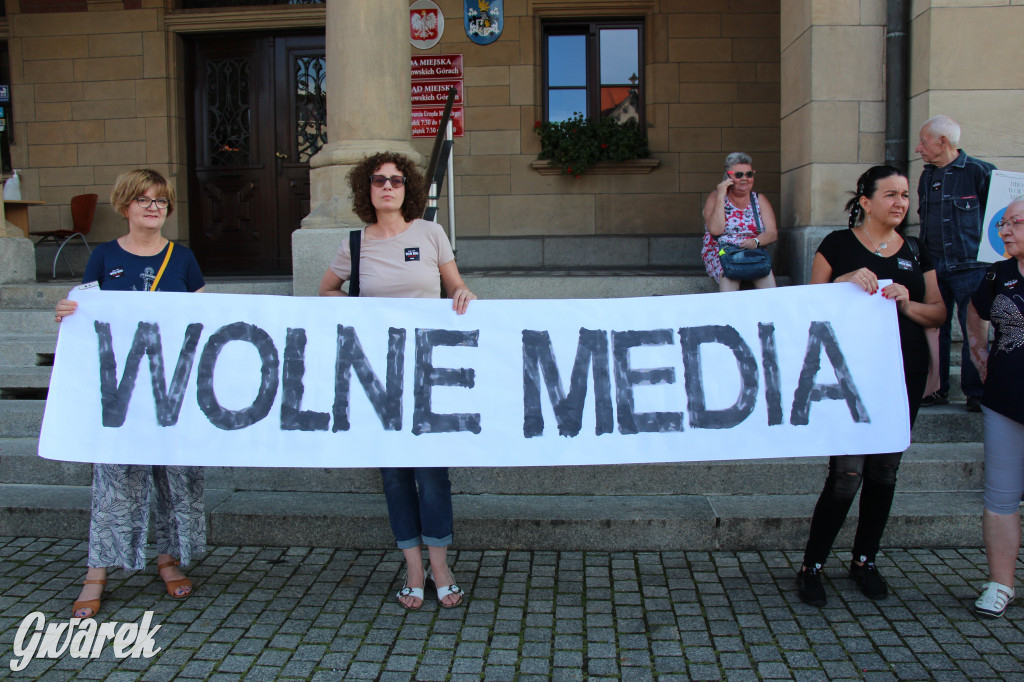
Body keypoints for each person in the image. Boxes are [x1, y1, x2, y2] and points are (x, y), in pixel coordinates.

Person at [318, 151, 476, 609]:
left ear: (409, 188)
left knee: (432, 475)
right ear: (366, 190)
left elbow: (455, 286)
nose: (387, 186)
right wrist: (353, 311)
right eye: (378, 180)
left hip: (429, 374)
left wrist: (463, 292)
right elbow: (326, 291)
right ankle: (412, 567)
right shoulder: (354, 244)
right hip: (378, 378)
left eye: (396, 180)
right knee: (394, 478)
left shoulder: (431, 233)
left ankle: (440, 566)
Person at [54, 169, 206, 618]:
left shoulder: (183, 258)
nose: (153, 207)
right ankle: (96, 572)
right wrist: (67, 312)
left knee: (175, 477)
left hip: (171, 388)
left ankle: (168, 559)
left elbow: (205, 317)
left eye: (161, 201)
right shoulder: (103, 256)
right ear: (125, 206)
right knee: (114, 479)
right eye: (143, 199)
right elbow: (88, 314)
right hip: (118, 389)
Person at [796, 165, 946, 607]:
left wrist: (907, 302)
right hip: (849, 377)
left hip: (904, 371)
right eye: (891, 194)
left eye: (905, 195)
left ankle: (865, 560)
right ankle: (812, 566)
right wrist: (841, 284)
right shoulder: (837, 245)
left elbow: (937, 313)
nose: (900, 203)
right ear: (865, 200)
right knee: (846, 474)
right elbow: (805, 309)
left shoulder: (917, 251)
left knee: (885, 470)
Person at [966, 197, 1024, 619]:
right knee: (1001, 497)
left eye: (1014, 223)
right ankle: (1000, 584)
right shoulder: (997, 274)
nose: (1004, 231)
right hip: (1005, 401)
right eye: (1003, 223)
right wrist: (978, 351)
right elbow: (975, 311)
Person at [915, 115, 997, 412]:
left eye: (923, 141)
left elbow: (998, 220)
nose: (918, 148)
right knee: (934, 326)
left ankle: (976, 391)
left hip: (972, 267)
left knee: (975, 327)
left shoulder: (981, 172)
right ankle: (935, 389)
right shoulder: (927, 176)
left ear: (943, 141)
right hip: (934, 266)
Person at [701, 152, 778, 292]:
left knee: (769, 285)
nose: (745, 179)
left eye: (749, 174)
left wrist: (756, 241)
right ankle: (729, 312)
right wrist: (721, 194)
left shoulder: (759, 199)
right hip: (723, 252)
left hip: (752, 252)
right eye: (738, 175)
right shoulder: (715, 197)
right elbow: (716, 230)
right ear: (728, 176)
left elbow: (772, 233)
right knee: (729, 276)